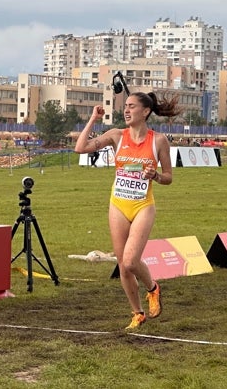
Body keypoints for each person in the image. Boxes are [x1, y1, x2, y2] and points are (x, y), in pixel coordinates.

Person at [74, 92, 180, 330]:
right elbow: (80, 148)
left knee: (131, 261)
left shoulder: (159, 141)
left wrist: (155, 175)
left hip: (143, 205)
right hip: (118, 204)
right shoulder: (116, 136)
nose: (126, 110)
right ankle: (137, 313)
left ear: (145, 112)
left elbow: (169, 178)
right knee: (123, 265)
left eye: (132, 106)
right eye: (125, 106)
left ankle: (153, 288)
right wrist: (93, 119)